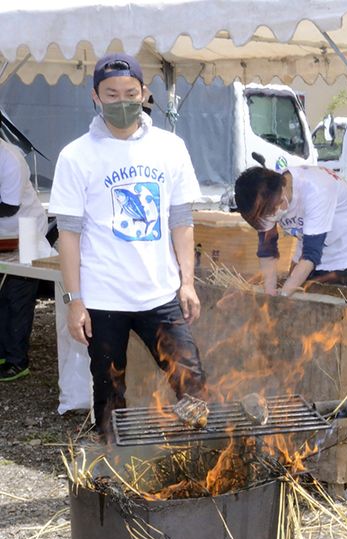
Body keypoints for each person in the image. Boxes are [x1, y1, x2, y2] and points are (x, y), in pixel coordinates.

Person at [50, 53, 206, 437]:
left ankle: (196, 457)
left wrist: (186, 281)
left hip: (160, 293)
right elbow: (67, 235)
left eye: (130, 93)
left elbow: (181, 221)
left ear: (144, 93)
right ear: (96, 97)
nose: (122, 102)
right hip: (104, 299)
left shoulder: (170, 148)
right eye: (112, 94)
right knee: (109, 392)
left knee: (193, 384)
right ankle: (111, 469)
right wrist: (75, 300)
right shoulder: (76, 156)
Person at [233, 164, 347, 293]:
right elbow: (267, 251)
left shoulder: (316, 190)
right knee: (298, 294)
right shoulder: (265, 198)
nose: (271, 218)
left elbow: (311, 255)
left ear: (282, 191)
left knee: (330, 304)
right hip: (307, 241)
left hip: (344, 248)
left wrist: (284, 294)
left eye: (271, 212)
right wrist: (270, 292)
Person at [0, 138, 49, 381]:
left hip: (28, 230)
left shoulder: (9, 158)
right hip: (4, 235)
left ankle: (16, 361)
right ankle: (2, 351)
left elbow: (9, 207)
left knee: (17, 294)